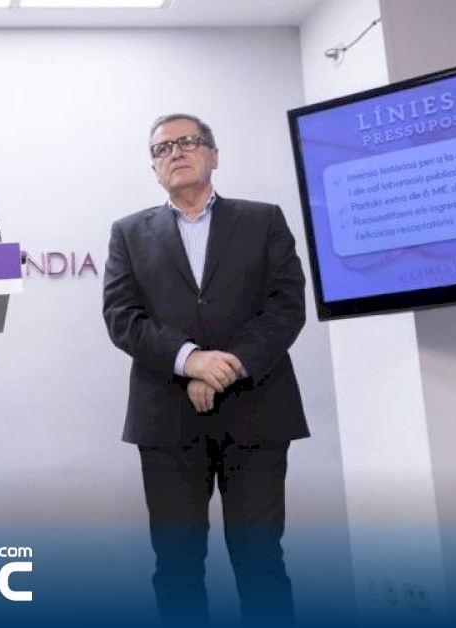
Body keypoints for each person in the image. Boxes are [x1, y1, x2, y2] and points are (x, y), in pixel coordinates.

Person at [102, 114, 310, 625]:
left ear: (213, 155)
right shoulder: (128, 233)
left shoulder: (263, 220)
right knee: (177, 566)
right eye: (162, 148)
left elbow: (286, 306)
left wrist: (227, 366)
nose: (175, 152)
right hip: (167, 419)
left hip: (256, 411)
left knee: (261, 561)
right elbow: (122, 317)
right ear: (154, 168)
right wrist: (190, 360)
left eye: (189, 141)